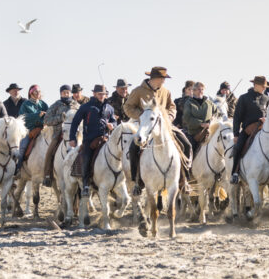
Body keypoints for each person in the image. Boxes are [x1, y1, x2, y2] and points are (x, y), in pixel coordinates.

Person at [125, 66, 191, 195]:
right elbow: (127, 107)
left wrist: (170, 117)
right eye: (162, 79)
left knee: (186, 145)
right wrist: (143, 116)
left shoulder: (166, 91)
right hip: (146, 127)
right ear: (155, 78)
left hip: (166, 127)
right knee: (133, 149)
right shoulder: (138, 91)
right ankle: (136, 182)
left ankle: (184, 180)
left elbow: (172, 107)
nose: (164, 81)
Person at [69, 85, 115, 195]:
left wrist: (112, 125)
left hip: (106, 139)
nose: (101, 96)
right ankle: (85, 184)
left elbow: (114, 122)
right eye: (99, 94)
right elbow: (75, 122)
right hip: (89, 140)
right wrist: (72, 138)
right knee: (86, 158)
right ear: (94, 94)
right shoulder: (86, 107)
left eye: (103, 94)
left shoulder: (109, 108)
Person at [230, 76, 269, 184]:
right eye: (263, 86)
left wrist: (267, 119)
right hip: (248, 130)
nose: (264, 88)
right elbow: (237, 117)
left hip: (265, 130)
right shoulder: (244, 98)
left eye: (265, 86)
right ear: (256, 85)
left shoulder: (267, 99)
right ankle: (235, 173)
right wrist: (236, 134)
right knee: (238, 147)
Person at [42, 85, 79, 187]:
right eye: (64, 93)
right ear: (60, 94)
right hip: (59, 134)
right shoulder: (56, 105)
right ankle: (47, 176)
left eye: (67, 92)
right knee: (49, 152)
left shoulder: (77, 105)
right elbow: (46, 120)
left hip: (76, 135)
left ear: (71, 93)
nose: (66, 94)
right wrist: (61, 118)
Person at [16, 85, 48, 174]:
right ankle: (17, 169)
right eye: (35, 91)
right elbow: (22, 117)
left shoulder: (43, 104)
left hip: (42, 130)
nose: (38, 93)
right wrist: (37, 115)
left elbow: (48, 116)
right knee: (22, 147)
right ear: (31, 93)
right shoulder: (25, 104)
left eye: (39, 91)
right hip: (28, 131)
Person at [181, 82, 214, 154]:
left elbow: (217, 113)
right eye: (199, 89)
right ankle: (188, 164)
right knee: (189, 150)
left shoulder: (209, 103)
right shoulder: (189, 103)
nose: (201, 91)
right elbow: (187, 118)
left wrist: (211, 121)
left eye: (202, 89)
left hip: (209, 132)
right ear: (194, 91)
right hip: (194, 134)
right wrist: (201, 124)